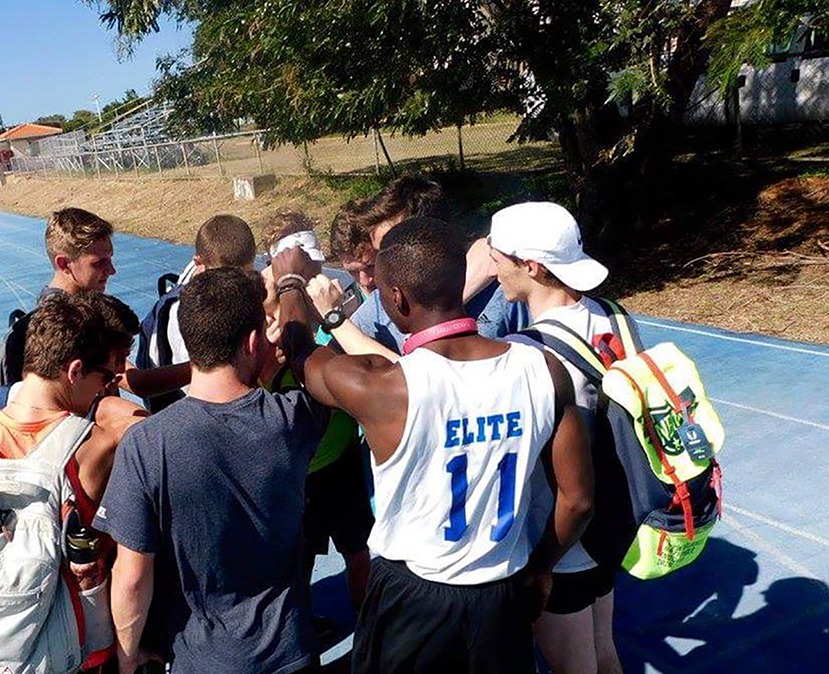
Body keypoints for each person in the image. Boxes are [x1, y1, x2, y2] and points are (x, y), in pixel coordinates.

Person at [271, 217, 594, 674]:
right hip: (502, 587)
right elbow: (578, 500)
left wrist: (290, 282)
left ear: (397, 297)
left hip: (414, 595)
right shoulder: (542, 368)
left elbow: (299, 353)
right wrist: (540, 567)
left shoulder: (384, 386)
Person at [96, 268, 329, 674]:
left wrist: (129, 654)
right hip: (289, 650)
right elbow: (315, 371)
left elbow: (132, 576)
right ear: (255, 340)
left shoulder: (147, 444)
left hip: (201, 659)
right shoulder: (292, 420)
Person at [0, 290, 148, 672]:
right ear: (74, 371)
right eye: (105, 378)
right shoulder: (96, 449)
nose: (106, 389)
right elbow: (131, 567)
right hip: (74, 658)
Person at [489, 202, 629, 674]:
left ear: (531, 267)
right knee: (604, 650)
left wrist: (539, 565)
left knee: (574, 668)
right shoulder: (614, 316)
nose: (492, 266)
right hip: (613, 518)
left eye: (497, 255)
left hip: (561, 537)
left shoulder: (529, 352)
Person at [260, 211, 374, 613]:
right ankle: (301, 630)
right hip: (293, 469)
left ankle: (366, 624)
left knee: (357, 549)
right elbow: (290, 351)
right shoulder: (264, 321)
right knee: (295, 562)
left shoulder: (340, 307)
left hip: (339, 459)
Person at [0, 208, 190, 407]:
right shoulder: (71, 326)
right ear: (64, 264)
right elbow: (138, 383)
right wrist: (209, 367)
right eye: (98, 263)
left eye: (110, 259)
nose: (112, 271)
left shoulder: (58, 315)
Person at [332, 175, 528, 352]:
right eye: (380, 252)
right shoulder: (382, 301)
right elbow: (336, 356)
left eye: (390, 247)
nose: (382, 264)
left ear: (430, 235)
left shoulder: (506, 292)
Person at [136, 214, 257, 411]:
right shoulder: (180, 312)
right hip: (186, 408)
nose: (235, 287)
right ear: (199, 263)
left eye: (244, 276)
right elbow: (203, 388)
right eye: (224, 277)